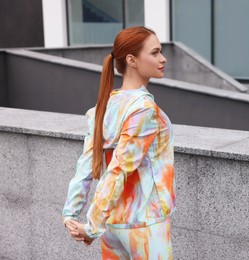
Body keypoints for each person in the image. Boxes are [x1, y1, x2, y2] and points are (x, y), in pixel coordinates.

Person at [62, 26, 176, 259]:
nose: (162, 59)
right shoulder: (143, 109)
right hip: (145, 225)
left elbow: (85, 166)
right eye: (154, 53)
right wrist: (91, 227)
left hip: (112, 227)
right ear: (132, 60)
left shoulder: (103, 108)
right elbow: (119, 169)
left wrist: (71, 214)